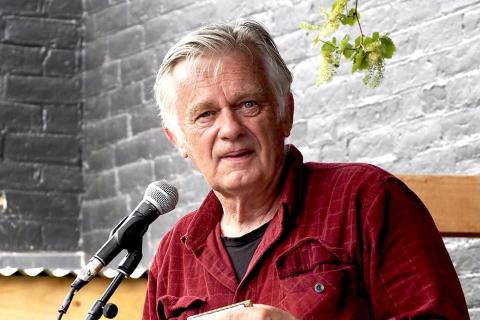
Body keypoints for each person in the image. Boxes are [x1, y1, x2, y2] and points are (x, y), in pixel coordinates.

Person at [143, 20, 469, 320]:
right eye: (205, 115)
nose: (230, 129)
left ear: (286, 113)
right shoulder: (173, 255)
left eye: (248, 104)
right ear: (178, 140)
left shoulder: (368, 200)